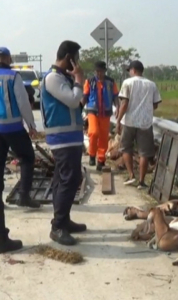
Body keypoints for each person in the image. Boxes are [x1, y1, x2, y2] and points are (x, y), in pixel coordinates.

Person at [40, 40, 86, 246]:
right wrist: (78, 79)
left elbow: (78, 101)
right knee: (70, 179)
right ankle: (58, 227)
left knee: (65, 180)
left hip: (70, 139)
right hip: (62, 140)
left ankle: (63, 220)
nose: (76, 62)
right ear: (68, 57)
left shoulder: (62, 78)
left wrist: (76, 82)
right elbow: (74, 100)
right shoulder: (53, 78)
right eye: (75, 58)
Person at [0, 47, 39, 253]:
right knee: (27, 157)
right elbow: (23, 102)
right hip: (13, 126)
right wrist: (31, 125)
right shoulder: (12, 76)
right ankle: (24, 195)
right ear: (8, 59)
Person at [116, 60, 161, 190]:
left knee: (125, 148)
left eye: (130, 70)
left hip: (129, 121)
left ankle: (131, 175)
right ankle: (141, 181)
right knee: (144, 153)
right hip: (145, 123)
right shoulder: (151, 85)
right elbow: (155, 104)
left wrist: (118, 120)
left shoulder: (127, 83)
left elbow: (124, 104)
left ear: (133, 70)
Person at [83, 61, 119, 171]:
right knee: (93, 132)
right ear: (95, 71)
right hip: (92, 110)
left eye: (101, 71)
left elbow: (115, 96)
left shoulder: (111, 82)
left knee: (104, 136)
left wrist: (117, 107)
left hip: (106, 112)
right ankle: (92, 154)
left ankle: (101, 160)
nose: (99, 73)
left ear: (104, 71)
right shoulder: (89, 81)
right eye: (97, 71)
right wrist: (80, 109)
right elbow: (85, 96)